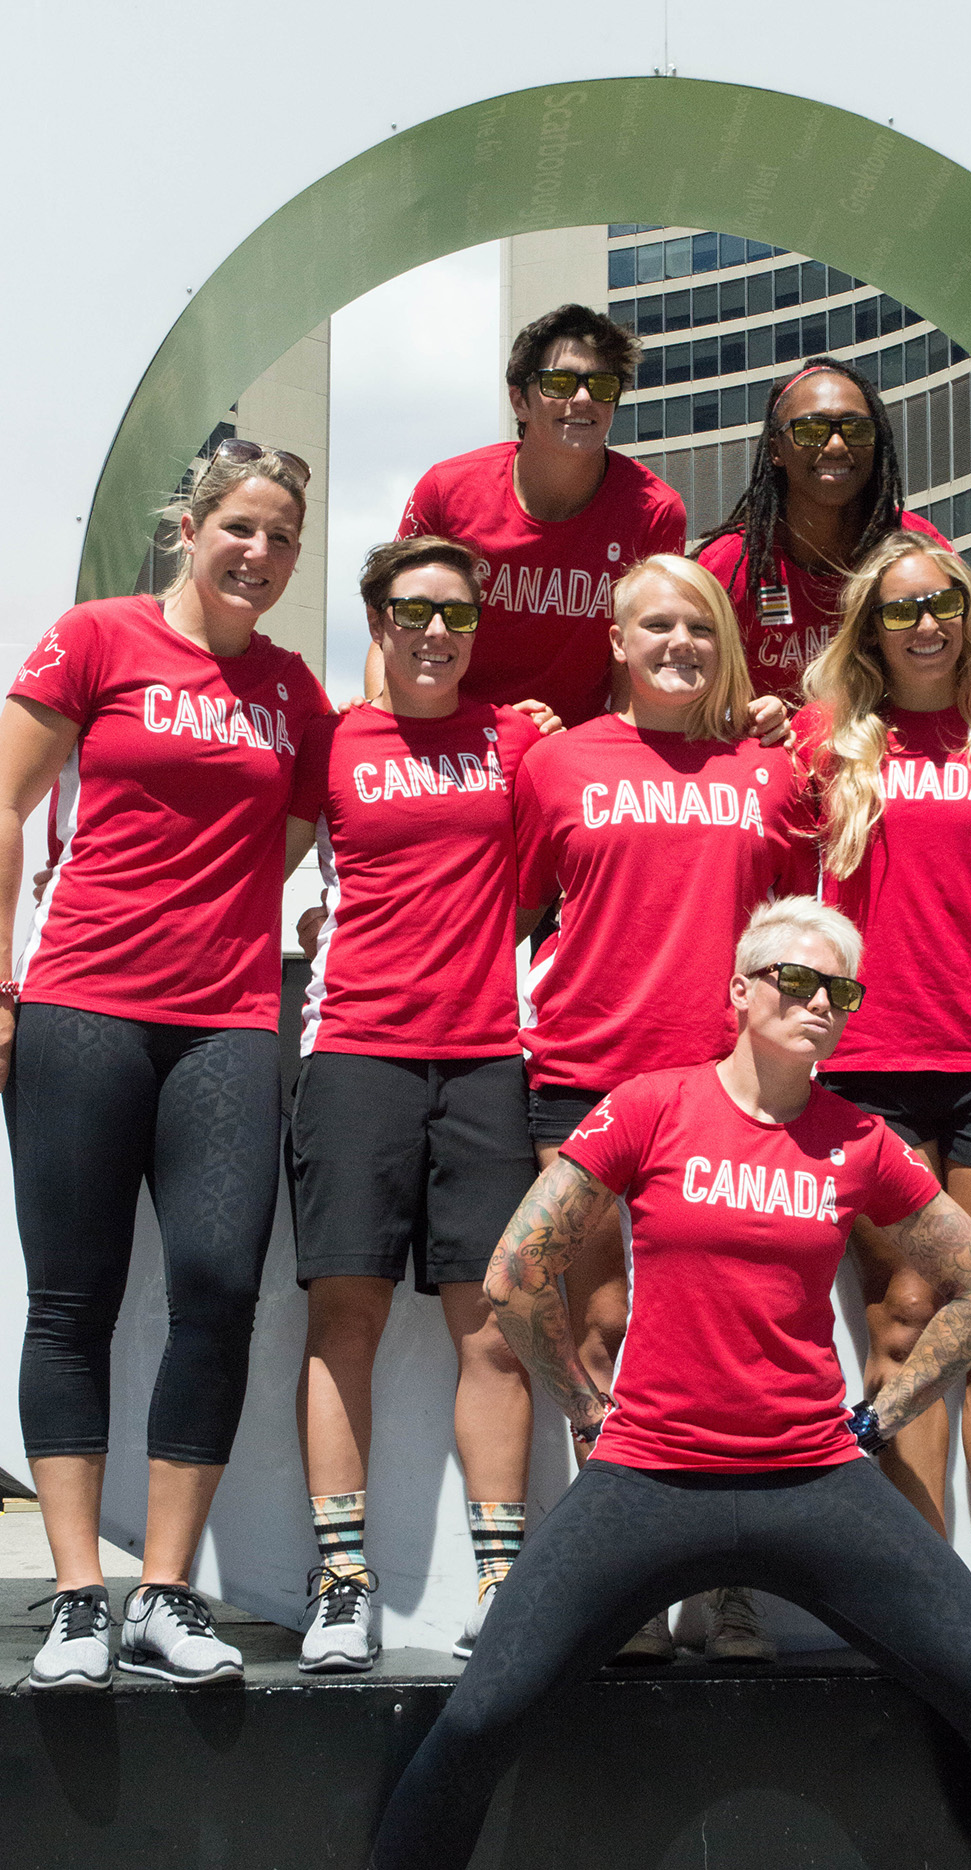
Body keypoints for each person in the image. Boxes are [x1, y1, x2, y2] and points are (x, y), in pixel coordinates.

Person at [370, 896, 971, 1870]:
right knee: (478, 1718)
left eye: (840, 990)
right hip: (648, 1478)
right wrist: (584, 1405)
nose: (819, 1002)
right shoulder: (650, 1106)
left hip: (813, 1479)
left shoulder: (857, 1140)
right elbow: (513, 1272)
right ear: (740, 991)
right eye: (796, 979)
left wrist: (880, 1418)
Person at [1, 442, 329, 1690]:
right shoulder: (97, 638)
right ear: (190, 529)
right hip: (81, 1005)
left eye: (281, 537)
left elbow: (285, 841)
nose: (259, 551)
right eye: (240, 526)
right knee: (70, 1300)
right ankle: (77, 1594)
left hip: (226, 1022)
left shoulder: (293, 690)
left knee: (217, 1292)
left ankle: (164, 1591)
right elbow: (6, 804)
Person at [513, 553, 816, 1663]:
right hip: (582, 1078)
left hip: (727, 1090)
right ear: (616, 640)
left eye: (698, 625)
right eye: (656, 625)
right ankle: (625, 1581)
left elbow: (801, 933)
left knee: (720, 1346)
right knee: (595, 1333)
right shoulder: (553, 764)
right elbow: (511, 906)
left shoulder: (771, 773)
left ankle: (724, 1584)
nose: (679, 643)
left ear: (723, 642)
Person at [795, 532, 971, 1659]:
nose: (923, 623)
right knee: (904, 1319)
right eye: (900, 607)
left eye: (941, 603)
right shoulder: (823, 742)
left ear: (967, 615)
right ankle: (924, 1585)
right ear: (870, 626)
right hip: (867, 1067)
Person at [285, 537, 544, 1672]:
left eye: (456, 612)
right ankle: (342, 1581)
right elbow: (251, 863)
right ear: (376, 620)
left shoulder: (517, 739)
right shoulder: (331, 740)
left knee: (492, 1326)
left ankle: (502, 1581)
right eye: (411, 610)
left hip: (488, 1061)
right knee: (344, 1318)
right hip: (354, 1055)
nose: (435, 631)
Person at [366, 302, 685, 727]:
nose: (584, 398)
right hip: (452, 739)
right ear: (519, 400)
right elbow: (392, 627)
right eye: (560, 382)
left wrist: (609, 750)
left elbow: (642, 660)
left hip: (575, 745)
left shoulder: (654, 511)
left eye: (602, 385)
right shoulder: (446, 490)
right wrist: (383, 732)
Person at [695, 356, 951, 701]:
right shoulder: (727, 567)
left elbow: (967, 677)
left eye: (857, 430)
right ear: (775, 449)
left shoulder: (918, 548)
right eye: (812, 430)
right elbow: (691, 701)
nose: (836, 445)